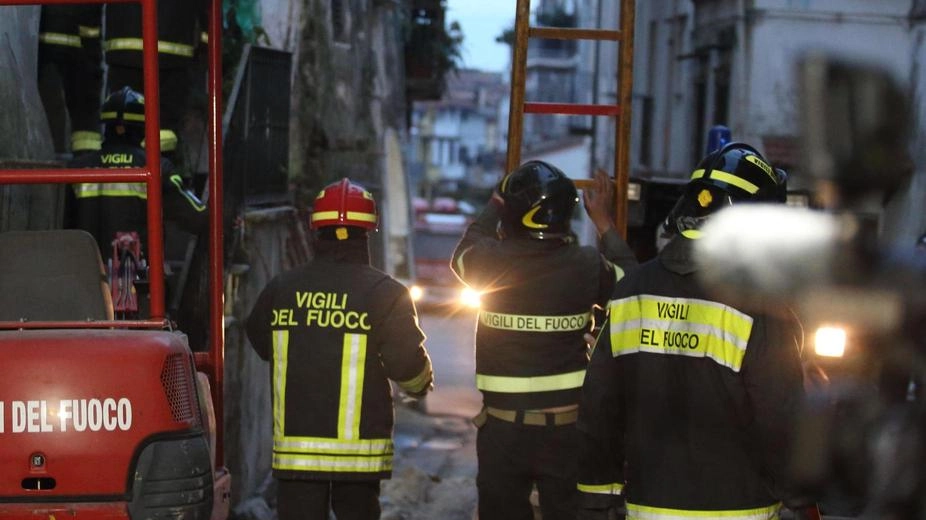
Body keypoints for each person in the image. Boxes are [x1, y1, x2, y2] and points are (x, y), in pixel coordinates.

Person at [576, 143, 819, 520]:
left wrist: (598, 497)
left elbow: (600, 405)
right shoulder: (763, 305)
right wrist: (802, 498)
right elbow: (780, 418)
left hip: (646, 508)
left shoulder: (632, 291)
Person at [450, 161, 638, 520]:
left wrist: (495, 203)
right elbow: (631, 280)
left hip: (503, 433)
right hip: (566, 434)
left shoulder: (489, 261)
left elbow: (463, 251)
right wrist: (603, 221)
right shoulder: (585, 264)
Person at [245, 178, 434, 520]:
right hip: (359, 459)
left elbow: (259, 339)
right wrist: (420, 386)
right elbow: (406, 364)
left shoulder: (282, 288)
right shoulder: (385, 292)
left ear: (316, 231)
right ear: (367, 232)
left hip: (296, 455)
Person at [66, 85, 206, 259]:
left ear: (106, 126)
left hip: (85, 273)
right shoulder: (157, 168)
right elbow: (196, 216)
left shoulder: (76, 169)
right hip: (133, 277)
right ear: (143, 127)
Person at [103, 0, 208, 165]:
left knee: (124, 120)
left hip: (123, 52)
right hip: (172, 55)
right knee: (164, 128)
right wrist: (204, 47)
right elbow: (209, 12)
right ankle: (161, 177)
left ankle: (125, 176)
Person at [37, 4, 104, 155]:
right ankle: (87, 164)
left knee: (54, 108)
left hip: (46, 45)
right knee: (85, 114)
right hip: (81, 46)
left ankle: (60, 158)